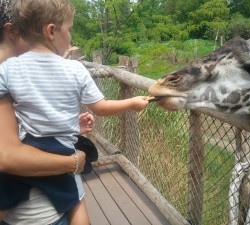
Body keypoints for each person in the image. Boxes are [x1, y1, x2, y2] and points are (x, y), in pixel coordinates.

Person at [0, 0, 149, 224]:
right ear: (51, 31)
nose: (70, 37)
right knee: (75, 199)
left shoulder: (8, 68)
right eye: (69, 30)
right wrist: (132, 103)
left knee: (7, 194)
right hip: (60, 150)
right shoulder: (74, 69)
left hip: (27, 147)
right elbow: (100, 107)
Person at [0, 0, 94, 224]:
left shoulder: (12, 74)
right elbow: (7, 157)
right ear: (12, 31)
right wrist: (75, 162)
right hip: (42, 215)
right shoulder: (9, 72)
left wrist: (64, 125)